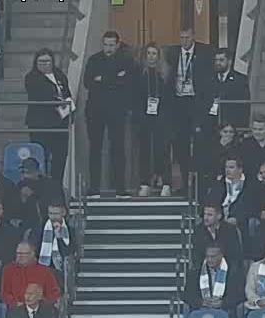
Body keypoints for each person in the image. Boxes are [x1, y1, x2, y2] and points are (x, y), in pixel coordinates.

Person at [83, 30, 134, 195]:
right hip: (95, 111)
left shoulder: (126, 60)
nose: (108, 48)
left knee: (118, 149)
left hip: (117, 111)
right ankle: (94, 187)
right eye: (106, 44)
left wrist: (102, 79)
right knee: (95, 149)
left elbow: (127, 83)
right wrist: (114, 78)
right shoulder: (94, 59)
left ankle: (120, 187)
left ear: (118, 45)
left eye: (111, 45)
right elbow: (88, 82)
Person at [165, 28, 214, 193]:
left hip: (196, 102)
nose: (184, 41)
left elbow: (208, 79)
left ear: (193, 37)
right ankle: (185, 183)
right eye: (182, 38)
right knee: (180, 144)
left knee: (200, 144)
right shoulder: (172, 53)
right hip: (179, 103)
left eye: (187, 37)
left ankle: (200, 185)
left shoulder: (205, 52)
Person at [25, 48, 72, 185]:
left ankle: (57, 185)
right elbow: (41, 96)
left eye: (47, 61)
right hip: (41, 123)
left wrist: (68, 105)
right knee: (42, 156)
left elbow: (67, 93)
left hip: (60, 122)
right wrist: (59, 101)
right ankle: (41, 185)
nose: (44, 64)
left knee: (60, 157)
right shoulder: (32, 77)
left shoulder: (59, 75)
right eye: (41, 61)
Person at [134, 42, 172, 197]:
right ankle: (145, 183)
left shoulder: (165, 73)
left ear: (159, 56)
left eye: (154, 54)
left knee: (162, 149)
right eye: (149, 53)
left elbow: (170, 96)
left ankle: (166, 182)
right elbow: (134, 95)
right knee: (144, 150)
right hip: (143, 116)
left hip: (161, 116)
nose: (151, 57)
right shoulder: (138, 73)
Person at [12, 156, 65, 236]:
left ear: (37, 172)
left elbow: (58, 204)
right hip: (27, 226)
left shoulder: (51, 185)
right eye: (23, 172)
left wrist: (34, 195)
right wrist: (23, 198)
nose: (26, 176)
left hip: (49, 222)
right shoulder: (20, 186)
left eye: (29, 172)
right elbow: (15, 210)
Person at [182, 243, 244, 311]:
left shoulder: (233, 271)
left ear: (221, 256)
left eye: (212, 257)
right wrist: (201, 303)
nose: (209, 260)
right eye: (207, 256)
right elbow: (187, 295)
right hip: (200, 310)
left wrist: (222, 303)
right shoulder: (196, 270)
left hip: (225, 310)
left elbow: (239, 295)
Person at [1, 241, 60, 308]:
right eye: (18, 253)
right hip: (16, 309)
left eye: (23, 254)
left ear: (32, 254)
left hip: (39, 309)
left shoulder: (44, 270)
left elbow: (54, 293)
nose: (19, 256)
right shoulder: (8, 270)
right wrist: (16, 304)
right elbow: (5, 294)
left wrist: (39, 304)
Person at [203, 48, 250, 129]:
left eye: (221, 60)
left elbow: (244, 105)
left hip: (232, 125)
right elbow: (202, 102)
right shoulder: (208, 79)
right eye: (216, 60)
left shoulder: (240, 80)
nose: (218, 63)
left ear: (229, 61)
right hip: (211, 124)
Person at [203, 154, 252, 230]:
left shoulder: (249, 185)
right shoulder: (218, 184)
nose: (227, 170)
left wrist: (237, 219)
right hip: (219, 218)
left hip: (240, 220)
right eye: (226, 167)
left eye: (231, 167)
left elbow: (250, 207)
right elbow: (210, 202)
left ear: (240, 170)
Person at [191, 203, 243, 268]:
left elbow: (234, 254)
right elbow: (197, 255)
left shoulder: (230, 230)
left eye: (210, 215)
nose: (205, 218)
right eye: (205, 214)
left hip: (228, 267)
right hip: (205, 267)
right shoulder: (198, 231)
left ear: (219, 216)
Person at [36, 202, 74, 280]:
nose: (53, 217)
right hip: (43, 269)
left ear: (63, 213)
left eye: (56, 213)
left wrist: (59, 237)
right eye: (51, 213)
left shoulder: (70, 230)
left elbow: (67, 253)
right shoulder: (41, 228)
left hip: (61, 271)